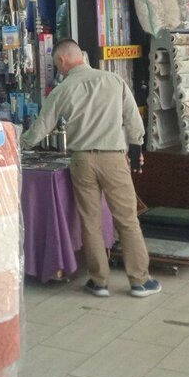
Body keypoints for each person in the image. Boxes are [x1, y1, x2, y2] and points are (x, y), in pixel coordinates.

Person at [20, 39, 160, 298]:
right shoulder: (114, 81)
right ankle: (140, 281)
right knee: (127, 220)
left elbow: (40, 129)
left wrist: (18, 143)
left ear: (62, 60)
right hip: (113, 159)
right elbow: (132, 118)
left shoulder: (62, 90)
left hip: (82, 161)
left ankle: (99, 282)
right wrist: (135, 148)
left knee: (90, 222)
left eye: (56, 64)